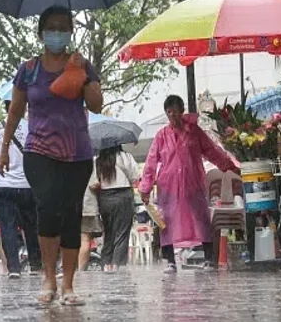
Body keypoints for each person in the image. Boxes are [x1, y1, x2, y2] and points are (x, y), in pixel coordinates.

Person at [0, 6, 103, 306]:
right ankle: (48, 278)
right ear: (42, 32)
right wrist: (5, 148)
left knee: (70, 214)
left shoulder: (82, 65)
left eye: (63, 27)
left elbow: (96, 104)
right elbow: (16, 111)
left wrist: (82, 75)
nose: (57, 32)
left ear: (71, 32)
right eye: (52, 27)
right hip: (39, 151)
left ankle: (68, 285)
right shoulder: (29, 69)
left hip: (77, 153)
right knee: (47, 208)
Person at [140, 95, 239, 272]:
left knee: (200, 218)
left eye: (176, 112)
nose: (173, 116)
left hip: (193, 183)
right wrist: (145, 187)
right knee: (166, 222)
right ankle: (170, 260)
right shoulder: (161, 135)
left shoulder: (194, 132)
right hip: (168, 186)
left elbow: (211, 151)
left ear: (182, 111)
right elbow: (151, 162)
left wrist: (228, 166)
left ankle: (209, 258)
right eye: (169, 112)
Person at [0, 101, 41, 278]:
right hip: (27, 185)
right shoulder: (32, 127)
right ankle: (35, 264)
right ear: (24, 107)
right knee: (31, 226)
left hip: (3, 185)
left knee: (7, 227)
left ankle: (14, 269)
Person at [91, 146, 140, 272]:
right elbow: (134, 176)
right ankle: (118, 265)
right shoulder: (125, 156)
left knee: (109, 233)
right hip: (123, 194)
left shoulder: (98, 160)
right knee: (122, 232)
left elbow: (94, 183)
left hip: (105, 197)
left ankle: (106, 264)